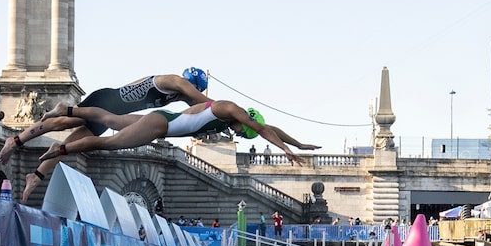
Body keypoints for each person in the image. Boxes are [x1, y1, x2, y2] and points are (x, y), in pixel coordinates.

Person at [0, 68, 212, 202]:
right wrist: (228, 113)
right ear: (193, 84)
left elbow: (196, 109)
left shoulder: (176, 95)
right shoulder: (175, 81)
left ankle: (35, 176)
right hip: (106, 101)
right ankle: (15, 140)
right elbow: (203, 102)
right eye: (194, 89)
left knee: (71, 144)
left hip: (111, 113)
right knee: (64, 122)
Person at [36, 99, 319, 167]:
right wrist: (286, 151)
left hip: (164, 119)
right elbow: (263, 129)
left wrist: (300, 143)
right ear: (244, 122)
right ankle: (58, 151)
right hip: (161, 126)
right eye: (243, 133)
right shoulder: (228, 109)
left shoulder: (232, 116)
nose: (239, 136)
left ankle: (66, 109)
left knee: (111, 118)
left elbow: (270, 127)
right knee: (108, 143)